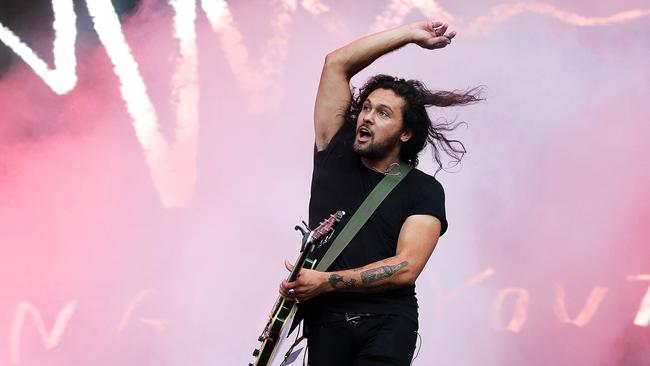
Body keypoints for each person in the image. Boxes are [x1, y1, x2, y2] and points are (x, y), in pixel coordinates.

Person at [279, 20, 482, 366]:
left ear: (405, 134)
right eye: (367, 108)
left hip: (386, 324)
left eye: (383, 113)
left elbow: (406, 267)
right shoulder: (334, 152)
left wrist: (325, 282)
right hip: (325, 324)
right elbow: (335, 64)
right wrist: (409, 35)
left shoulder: (423, 190)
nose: (367, 117)